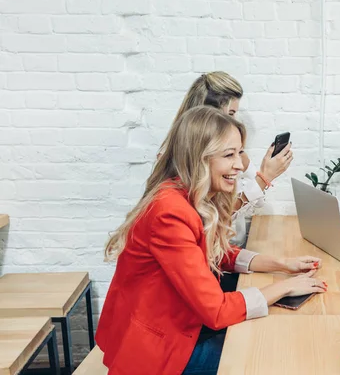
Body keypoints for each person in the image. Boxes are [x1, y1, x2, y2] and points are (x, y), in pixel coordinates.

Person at [96, 107, 327, 375]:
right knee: (268, 356)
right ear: (199, 158)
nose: (240, 165)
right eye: (229, 155)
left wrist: (281, 264)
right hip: (163, 349)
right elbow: (215, 310)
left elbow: (216, 253)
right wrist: (283, 289)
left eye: (239, 152)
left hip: (181, 327)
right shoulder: (169, 212)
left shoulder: (186, 192)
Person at [165, 71, 293, 246]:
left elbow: (258, 200)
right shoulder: (183, 162)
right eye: (231, 114)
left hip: (228, 250)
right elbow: (209, 219)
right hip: (213, 252)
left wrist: (263, 176)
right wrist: (264, 178)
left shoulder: (236, 155)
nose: (234, 121)